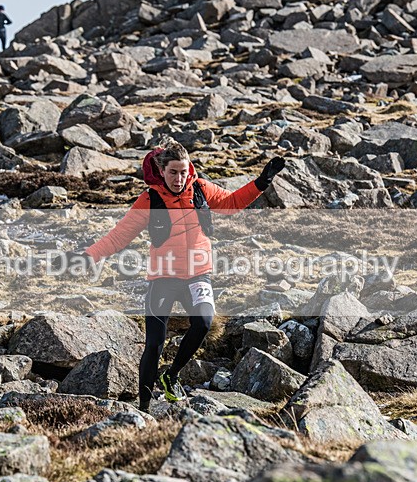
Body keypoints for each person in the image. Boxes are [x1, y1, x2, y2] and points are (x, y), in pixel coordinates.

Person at [77, 137, 285, 412]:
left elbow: (232, 203)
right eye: (172, 172)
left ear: (190, 170)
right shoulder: (149, 199)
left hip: (198, 274)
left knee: (204, 322)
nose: (178, 178)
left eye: (183, 172)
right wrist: (89, 255)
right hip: (163, 278)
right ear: (162, 171)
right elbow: (119, 236)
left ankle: (171, 375)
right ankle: (143, 408)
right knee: (154, 345)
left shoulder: (200, 188)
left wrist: (262, 182)